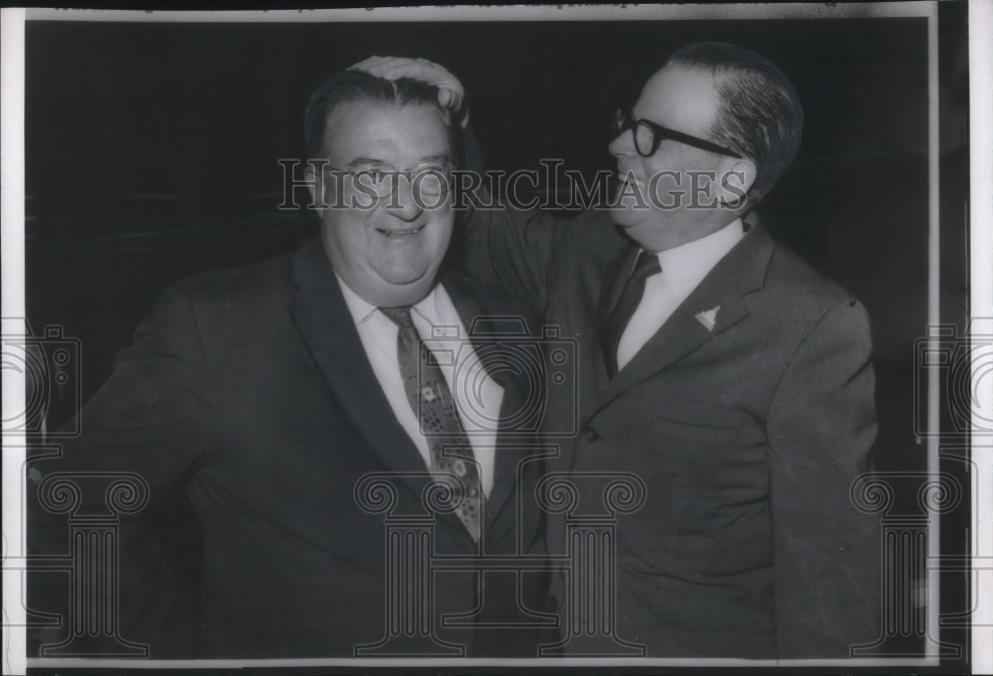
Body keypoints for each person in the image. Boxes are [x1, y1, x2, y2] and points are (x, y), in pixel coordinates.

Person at [355, 42, 882, 659]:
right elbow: (476, 231)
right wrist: (452, 124)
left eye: (653, 136)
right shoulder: (590, 248)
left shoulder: (811, 327)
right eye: (629, 124)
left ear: (732, 178)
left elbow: (829, 591)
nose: (619, 146)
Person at [28, 70, 550, 658]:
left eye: (431, 174)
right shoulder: (218, 327)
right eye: (370, 176)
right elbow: (73, 506)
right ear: (318, 189)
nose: (406, 204)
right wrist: (174, 654)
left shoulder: (517, 324)